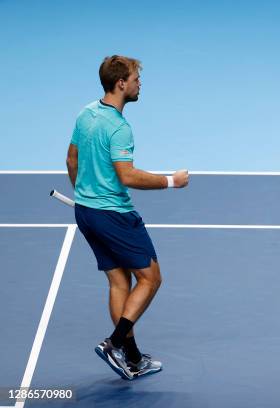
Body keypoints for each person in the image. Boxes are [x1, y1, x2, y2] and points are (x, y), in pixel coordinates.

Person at [66, 55, 189, 379]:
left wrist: (86, 195)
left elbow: (71, 160)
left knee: (119, 281)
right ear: (121, 83)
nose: (139, 83)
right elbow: (127, 176)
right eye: (136, 78)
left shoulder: (86, 113)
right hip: (114, 215)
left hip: (87, 212)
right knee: (150, 278)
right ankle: (114, 343)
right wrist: (171, 182)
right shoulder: (119, 128)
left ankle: (132, 358)